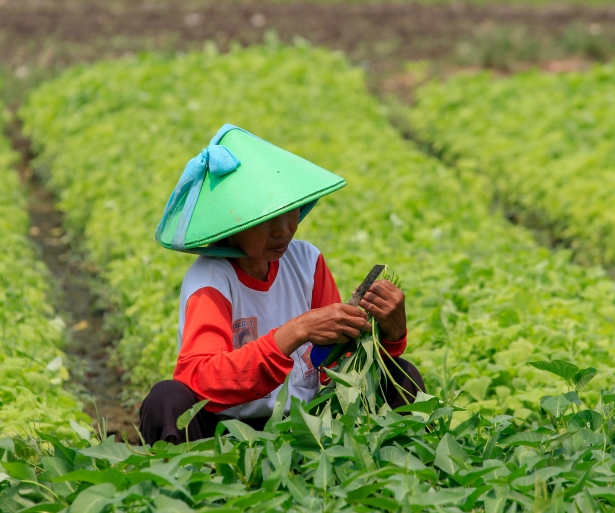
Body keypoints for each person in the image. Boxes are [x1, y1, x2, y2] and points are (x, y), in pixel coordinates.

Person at [140, 124, 425, 445]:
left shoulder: (306, 261)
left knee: (401, 374)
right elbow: (200, 379)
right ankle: (194, 472)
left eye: (289, 212)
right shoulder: (210, 278)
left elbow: (336, 366)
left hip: (306, 426)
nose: (283, 230)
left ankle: (405, 466)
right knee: (167, 398)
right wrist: (294, 333)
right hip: (225, 429)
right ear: (231, 223)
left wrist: (389, 333)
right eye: (265, 220)